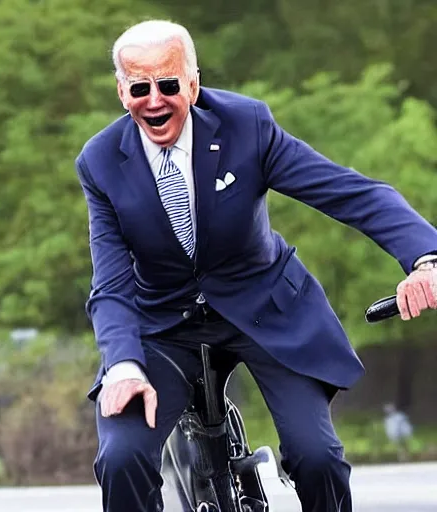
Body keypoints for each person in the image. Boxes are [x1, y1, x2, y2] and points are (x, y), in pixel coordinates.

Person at [75, 19, 437, 512]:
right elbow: (111, 283)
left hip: (267, 309)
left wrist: (425, 257)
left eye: (168, 84)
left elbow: (351, 193)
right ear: (122, 91)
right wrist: (122, 364)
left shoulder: (248, 126)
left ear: (194, 83)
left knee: (318, 457)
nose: (154, 99)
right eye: (140, 87)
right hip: (161, 325)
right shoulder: (99, 161)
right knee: (120, 459)